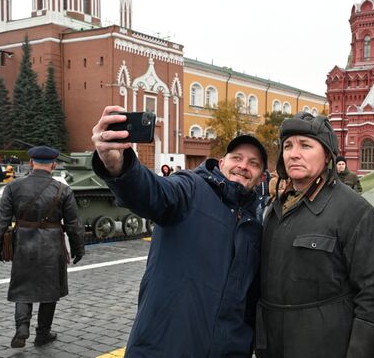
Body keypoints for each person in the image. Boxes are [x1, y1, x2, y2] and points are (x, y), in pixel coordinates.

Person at [91, 106, 268, 357]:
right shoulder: (191, 188)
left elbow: (250, 301)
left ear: (261, 178)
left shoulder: (256, 225)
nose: (243, 166)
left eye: (253, 163)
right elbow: (151, 193)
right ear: (221, 163)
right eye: (236, 158)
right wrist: (117, 165)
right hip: (166, 346)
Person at [256, 112, 374, 358]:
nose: (293, 153)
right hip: (273, 345)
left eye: (305, 145)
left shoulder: (355, 212)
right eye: (287, 146)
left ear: (327, 155)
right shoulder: (276, 209)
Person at [0, 145, 85, 348]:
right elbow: (74, 224)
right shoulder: (63, 189)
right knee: (49, 290)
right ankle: (42, 334)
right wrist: (79, 249)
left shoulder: (13, 187)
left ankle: (22, 328)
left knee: (22, 287)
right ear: (53, 165)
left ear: (30, 163)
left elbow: (0, 222)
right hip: (52, 245)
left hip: (23, 244)